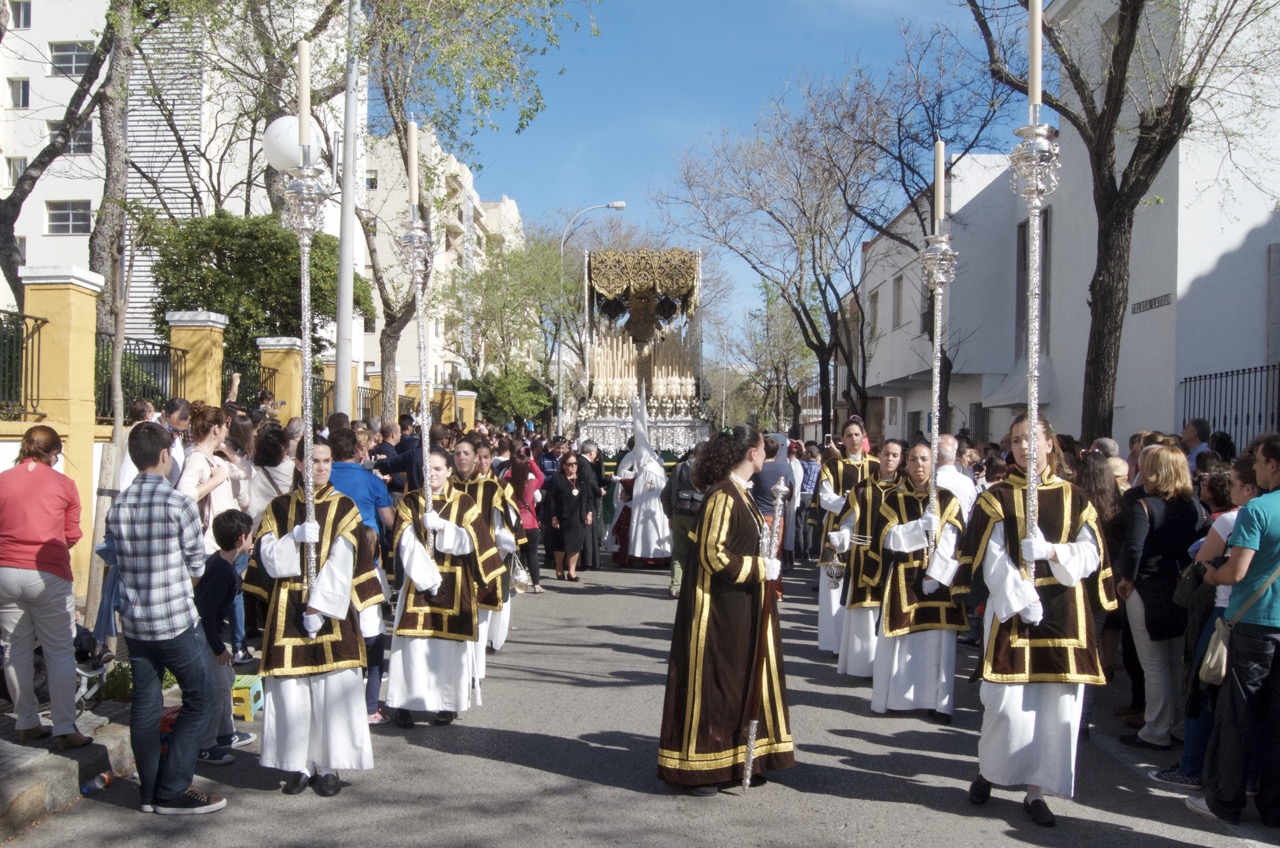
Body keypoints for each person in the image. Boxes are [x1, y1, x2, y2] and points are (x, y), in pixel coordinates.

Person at [960, 413, 1116, 828]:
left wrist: (1051, 552)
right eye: (1015, 440)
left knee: (1056, 711)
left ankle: (1037, 791)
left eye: (1032, 439)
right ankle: (990, 771)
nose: (1024, 447)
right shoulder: (996, 497)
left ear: (1050, 444)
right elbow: (989, 557)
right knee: (1004, 706)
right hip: (1013, 611)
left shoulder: (1076, 498)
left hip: (1065, 612)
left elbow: (1091, 554)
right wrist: (1021, 597)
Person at [657, 424, 794, 795]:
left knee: (738, 683)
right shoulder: (722, 496)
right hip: (715, 611)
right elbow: (712, 554)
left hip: (741, 606)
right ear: (751, 453)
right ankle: (702, 766)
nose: (767, 454)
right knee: (715, 685)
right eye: (764, 449)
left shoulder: (741, 493)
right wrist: (758, 568)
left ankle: (735, 759)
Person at [243, 436, 384, 797]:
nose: (320, 468)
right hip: (286, 611)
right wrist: (293, 538)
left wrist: (318, 607)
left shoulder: (345, 508)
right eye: (314, 461)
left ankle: (329, 765)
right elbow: (268, 560)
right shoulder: (277, 508)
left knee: (332, 691)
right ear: (300, 464)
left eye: (326, 461)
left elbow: (344, 561)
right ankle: (298, 764)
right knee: (292, 695)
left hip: (331, 613)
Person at [107, 421, 225, 815]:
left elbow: (115, 559)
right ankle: (172, 787)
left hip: (136, 621)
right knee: (200, 697)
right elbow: (196, 566)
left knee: (145, 701)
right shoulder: (179, 504)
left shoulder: (118, 504)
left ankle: (148, 790)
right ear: (163, 456)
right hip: (174, 619)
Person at [1150, 458, 1257, 791]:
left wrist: (1212, 570)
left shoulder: (1231, 521)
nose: (1232, 490)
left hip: (1227, 613)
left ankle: (1193, 766)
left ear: (1249, 488)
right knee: (1249, 701)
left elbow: (1203, 564)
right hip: (1260, 619)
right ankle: (1248, 777)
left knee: (1203, 689)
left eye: (1237, 484)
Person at [1191, 435, 1280, 825]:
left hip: (1255, 622)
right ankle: (1274, 806)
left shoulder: (1258, 508)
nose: (1254, 467)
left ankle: (1227, 800)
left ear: (1273, 465)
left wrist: (1212, 575)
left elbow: (1236, 571)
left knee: (1238, 717)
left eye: (1258, 461)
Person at [386, 447, 505, 728]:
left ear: (449, 471)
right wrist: (426, 575)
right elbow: (403, 540)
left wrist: (443, 528)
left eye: (438, 468)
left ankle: (447, 703)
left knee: (448, 647)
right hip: (419, 583)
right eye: (428, 469)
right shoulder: (411, 501)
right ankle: (406, 703)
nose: (432, 474)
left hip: (456, 582)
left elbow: (475, 542)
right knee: (413, 644)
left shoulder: (464, 503)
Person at [0, 425, 90, 749]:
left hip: (5, 571)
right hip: (47, 572)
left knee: (14, 648)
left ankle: (26, 723)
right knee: (59, 649)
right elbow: (71, 535)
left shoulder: (3, 479)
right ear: (54, 453)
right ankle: (64, 727)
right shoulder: (64, 484)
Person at [1116, 444, 1208, 751]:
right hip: (1182, 586)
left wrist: (1127, 578)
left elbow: (1133, 548)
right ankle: (1175, 724)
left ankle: (1156, 729)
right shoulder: (1194, 506)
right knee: (1174, 661)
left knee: (1155, 664)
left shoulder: (1144, 505)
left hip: (1148, 586)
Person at [866, 443, 966, 722]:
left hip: (940, 580)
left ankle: (939, 703)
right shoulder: (894, 499)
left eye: (924, 459)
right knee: (902, 638)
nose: (918, 464)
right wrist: (917, 529)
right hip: (903, 577)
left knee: (938, 643)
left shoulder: (948, 499)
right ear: (906, 463)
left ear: (933, 462)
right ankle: (895, 699)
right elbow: (886, 538)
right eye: (913, 459)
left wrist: (936, 573)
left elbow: (954, 538)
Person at [326, 428, 396, 724]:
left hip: (329, 561)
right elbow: (389, 520)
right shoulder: (370, 481)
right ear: (356, 449)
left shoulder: (323, 479)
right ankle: (370, 708)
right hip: (368, 558)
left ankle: (340, 703)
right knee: (371, 636)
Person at [830, 438, 904, 678]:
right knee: (864, 613)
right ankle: (862, 665)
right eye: (886, 454)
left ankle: (888, 669)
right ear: (878, 455)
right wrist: (843, 535)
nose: (889, 459)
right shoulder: (862, 488)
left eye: (895, 455)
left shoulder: (907, 489)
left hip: (896, 559)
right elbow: (848, 520)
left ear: (900, 459)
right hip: (864, 557)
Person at [451, 436, 522, 666]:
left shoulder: (492, 488)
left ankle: (477, 669)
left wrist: (505, 540)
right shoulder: (446, 484)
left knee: (480, 616)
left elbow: (501, 524)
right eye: (457, 453)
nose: (463, 458)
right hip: (450, 560)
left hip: (482, 560)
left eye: (468, 454)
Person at [194, 510, 257, 765]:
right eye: (251, 535)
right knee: (216, 689)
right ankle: (205, 745)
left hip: (209, 635)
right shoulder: (221, 572)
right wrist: (219, 648)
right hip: (205, 636)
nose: (253, 539)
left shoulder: (221, 563)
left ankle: (224, 734)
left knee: (227, 678)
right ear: (241, 538)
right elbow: (207, 614)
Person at [816, 417, 879, 653]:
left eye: (857, 434)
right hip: (837, 533)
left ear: (864, 436)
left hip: (868, 534)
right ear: (842, 439)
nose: (853, 439)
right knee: (835, 585)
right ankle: (835, 643)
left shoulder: (875, 465)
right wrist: (853, 504)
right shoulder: (832, 466)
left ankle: (861, 646)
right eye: (849, 435)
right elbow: (825, 498)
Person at [661, 442, 706, 598]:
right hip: (699, 516)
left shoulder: (679, 468)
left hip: (679, 514)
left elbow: (665, 494)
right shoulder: (706, 470)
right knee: (701, 552)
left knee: (679, 552)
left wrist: (670, 514)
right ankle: (696, 586)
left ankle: (676, 586)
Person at [502, 453, 545, 594]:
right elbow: (541, 477)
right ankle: (536, 584)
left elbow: (505, 476)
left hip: (516, 523)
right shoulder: (531, 484)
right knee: (532, 554)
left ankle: (517, 581)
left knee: (516, 554)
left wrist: (514, 466)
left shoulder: (507, 483)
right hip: (531, 523)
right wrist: (531, 461)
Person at [549, 452, 594, 581]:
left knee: (576, 545)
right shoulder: (557, 478)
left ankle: (571, 571)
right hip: (562, 516)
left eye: (575, 464)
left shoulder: (582, 478)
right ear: (563, 465)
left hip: (578, 516)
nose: (573, 466)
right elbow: (551, 498)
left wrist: (589, 513)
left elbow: (589, 497)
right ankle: (559, 567)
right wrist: (553, 515)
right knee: (561, 544)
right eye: (570, 464)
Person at [936, 434, 978, 520]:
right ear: (957, 455)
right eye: (968, 456)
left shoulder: (967, 474)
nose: (970, 460)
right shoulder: (965, 479)